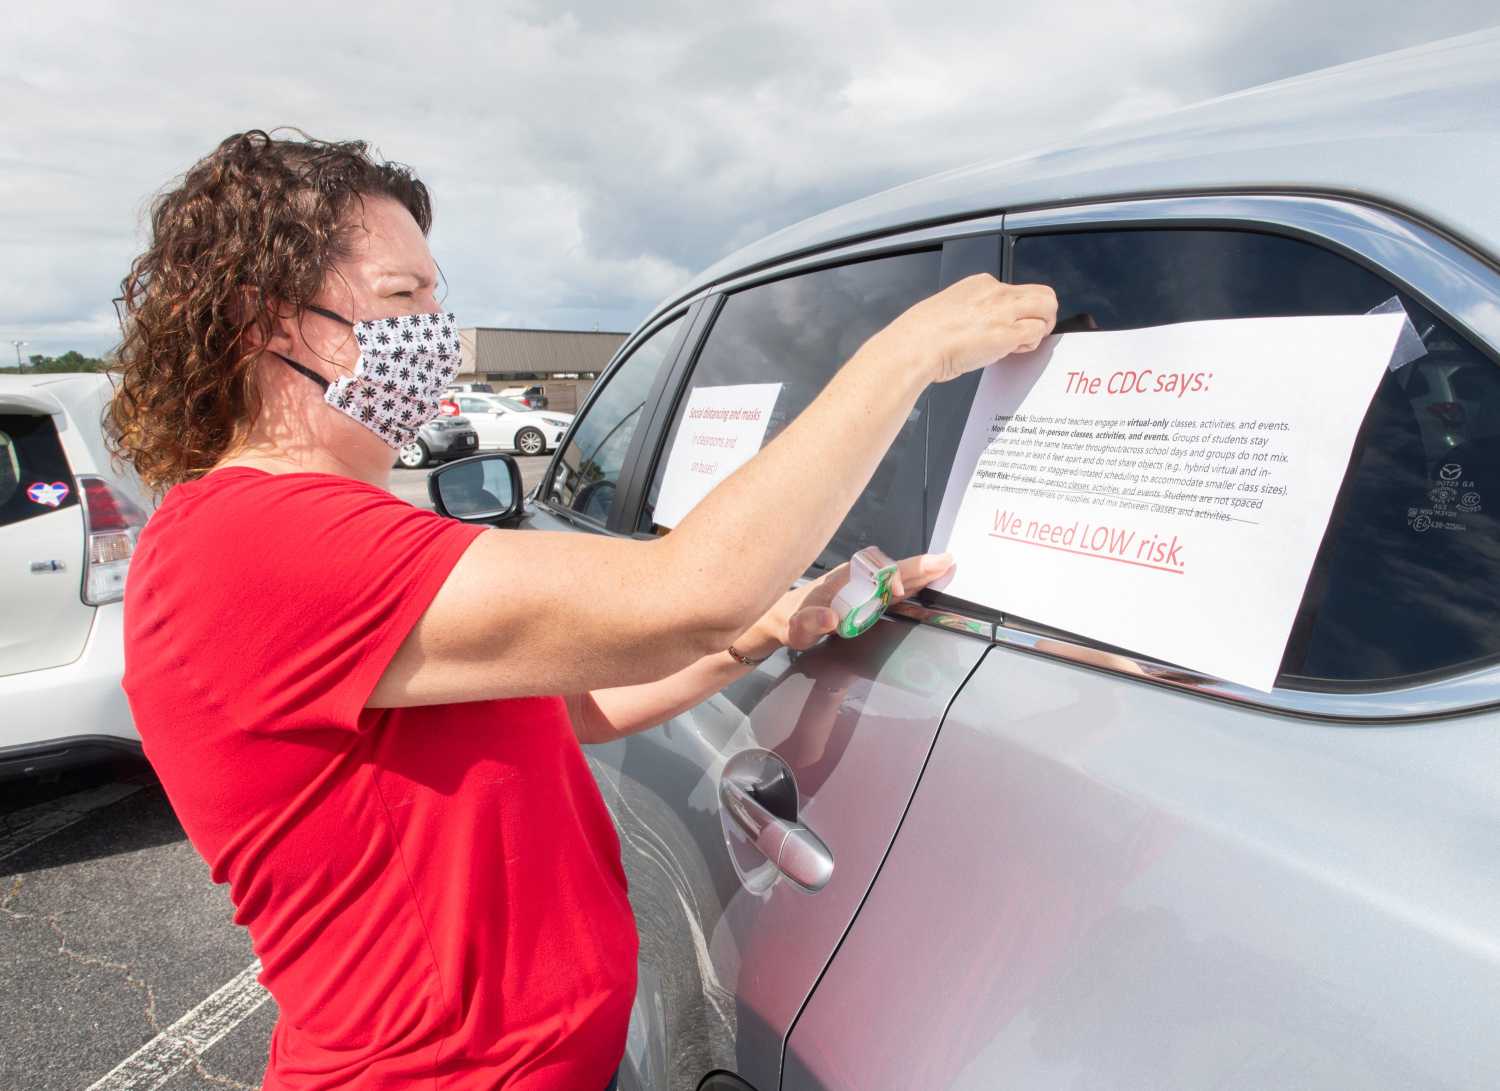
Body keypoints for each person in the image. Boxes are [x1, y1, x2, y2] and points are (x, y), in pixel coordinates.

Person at [110, 130, 1056, 1091]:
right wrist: (909, 352)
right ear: (269, 323)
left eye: (438, 296)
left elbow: (573, 710)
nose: (438, 329)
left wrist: (768, 629)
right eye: (404, 298)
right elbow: (683, 592)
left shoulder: (303, 531)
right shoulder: (254, 543)